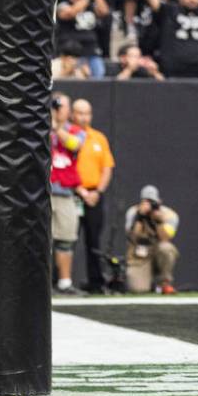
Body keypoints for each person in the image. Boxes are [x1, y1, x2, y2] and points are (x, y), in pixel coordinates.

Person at [71, 98, 116, 294]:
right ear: (72, 114)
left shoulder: (99, 138)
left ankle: (96, 282)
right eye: (80, 113)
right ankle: (60, 281)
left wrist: (97, 192)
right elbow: (65, 165)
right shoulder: (68, 137)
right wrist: (79, 189)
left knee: (94, 240)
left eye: (87, 113)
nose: (83, 117)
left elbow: (107, 168)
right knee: (66, 238)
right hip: (72, 194)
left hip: (94, 195)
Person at [50, 93, 87, 296]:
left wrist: (56, 127)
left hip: (65, 192)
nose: (58, 109)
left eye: (62, 106)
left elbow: (75, 145)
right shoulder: (40, 127)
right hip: (45, 192)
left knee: (65, 238)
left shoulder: (75, 131)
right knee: (41, 239)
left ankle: (64, 283)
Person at [124, 184, 180, 294]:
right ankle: (150, 284)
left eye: (152, 202)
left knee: (167, 249)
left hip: (158, 250)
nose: (149, 206)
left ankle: (165, 283)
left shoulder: (170, 215)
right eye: (146, 202)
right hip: (140, 254)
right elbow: (133, 238)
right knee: (137, 289)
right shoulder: (133, 212)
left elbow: (166, 238)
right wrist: (140, 217)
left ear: (159, 201)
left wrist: (158, 221)